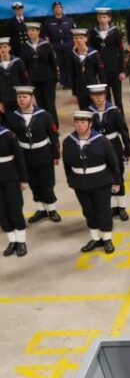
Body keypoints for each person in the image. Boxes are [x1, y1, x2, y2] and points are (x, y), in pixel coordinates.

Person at [63, 110, 122, 254]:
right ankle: (95, 238)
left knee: (103, 211)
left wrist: (117, 181)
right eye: (77, 122)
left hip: (101, 181)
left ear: (90, 124)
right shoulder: (69, 141)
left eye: (83, 122)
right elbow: (67, 165)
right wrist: (71, 181)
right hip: (80, 182)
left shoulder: (101, 141)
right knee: (88, 211)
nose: (79, 125)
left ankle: (107, 239)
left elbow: (113, 162)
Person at [8, 86, 60, 224]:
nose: (21, 100)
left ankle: (52, 209)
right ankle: (41, 209)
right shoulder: (13, 117)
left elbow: (53, 135)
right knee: (34, 183)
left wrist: (56, 154)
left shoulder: (44, 115)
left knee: (47, 182)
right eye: (19, 97)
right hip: (25, 155)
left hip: (43, 153)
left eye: (25, 97)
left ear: (31, 98)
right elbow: (11, 140)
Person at [88, 84, 130, 221]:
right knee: (105, 177)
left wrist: (128, 147)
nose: (98, 98)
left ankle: (122, 207)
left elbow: (123, 130)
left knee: (118, 175)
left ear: (105, 95)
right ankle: (112, 206)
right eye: (95, 95)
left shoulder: (114, 111)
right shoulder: (89, 112)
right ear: (91, 96)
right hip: (98, 147)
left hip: (114, 146)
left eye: (101, 95)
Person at [0, 117, 28, 256]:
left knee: (15, 208)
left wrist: (23, 179)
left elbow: (20, 157)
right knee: (2, 211)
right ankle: (12, 240)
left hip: (10, 176)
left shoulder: (7, 135)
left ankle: (21, 241)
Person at [23, 23, 59, 128]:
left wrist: (56, 78)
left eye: (33, 30)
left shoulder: (46, 45)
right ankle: (44, 126)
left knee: (50, 103)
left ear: (38, 32)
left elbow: (53, 62)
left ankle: (54, 125)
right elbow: (25, 65)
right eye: (29, 31)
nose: (31, 33)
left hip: (48, 78)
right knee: (40, 103)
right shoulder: (25, 46)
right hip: (34, 79)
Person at [91, 9, 125, 112]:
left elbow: (121, 51)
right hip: (102, 70)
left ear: (109, 18)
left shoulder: (115, 32)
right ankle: (109, 118)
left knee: (118, 98)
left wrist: (122, 70)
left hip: (115, 69)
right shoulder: (94, 32)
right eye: (100, 17)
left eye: (104, 17)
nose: (102, 20)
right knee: (106, 98)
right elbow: (92, 52)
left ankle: (120, 118)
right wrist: (95, 70)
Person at [69, 29, 103, 111]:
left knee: (96, 110)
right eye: (76, 38)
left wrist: (102, 89)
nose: (78, 40)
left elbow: (101, 73)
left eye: (81, 38)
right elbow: (73, 75)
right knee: (84, 111)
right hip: (80, 88)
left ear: (86, 39)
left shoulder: (94, 54)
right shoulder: (73, 55)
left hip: (93, 86)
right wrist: (74, 93)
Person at [45, 2, 75, 89]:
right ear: (53, 10)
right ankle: (64, 83)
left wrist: (75, 45)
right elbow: (47, 36)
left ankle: (71, 82)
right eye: (55, 8)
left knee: (69, 63)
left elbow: (75, 33)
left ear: (62, 9)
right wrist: (48, 48)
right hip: (56, 45)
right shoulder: (49, 22)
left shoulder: (69, 20)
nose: (57, 9)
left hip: (69, 44)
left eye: (59, 7)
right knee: (60, 64)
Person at [0, 38, 28, 124]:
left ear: (9, 48)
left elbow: (25, 80)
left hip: (19, 97)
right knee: (9, 122)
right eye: (0, 48)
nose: (2, 49)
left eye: (5, 47)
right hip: (5, 99)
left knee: (22, 121)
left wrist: (27, 96)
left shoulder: (17, 62)